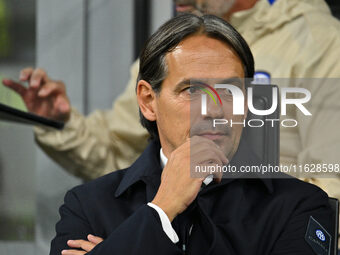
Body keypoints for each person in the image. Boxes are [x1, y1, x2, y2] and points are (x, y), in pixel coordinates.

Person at [50, 14, 333, 255]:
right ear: (148, 101)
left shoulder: (300, 205)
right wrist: (162, 210)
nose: (214, 111)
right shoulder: (88, 205)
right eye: (192, 91)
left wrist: (123, 245)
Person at [2, 0, 340, 198]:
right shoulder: (176, 46)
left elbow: (330, 183)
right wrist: (61, 122)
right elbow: (118, 153)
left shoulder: (320, 41)